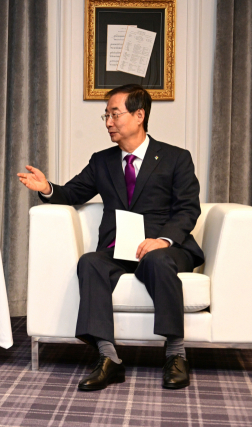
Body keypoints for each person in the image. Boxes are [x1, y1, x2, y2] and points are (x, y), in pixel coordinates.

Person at [18, 84, 203, 391]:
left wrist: (163, 240)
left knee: (157, 260)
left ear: (139, 115)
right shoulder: (102, 161)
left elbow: (188, 208)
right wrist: (47, 188)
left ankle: (175, 354)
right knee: (90, 262)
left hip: (166, 249)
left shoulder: (175, 158)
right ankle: (109, 358)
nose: (108, 122)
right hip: (119, 248)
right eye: (106, 115)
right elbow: (72, 193)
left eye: (115, 114)